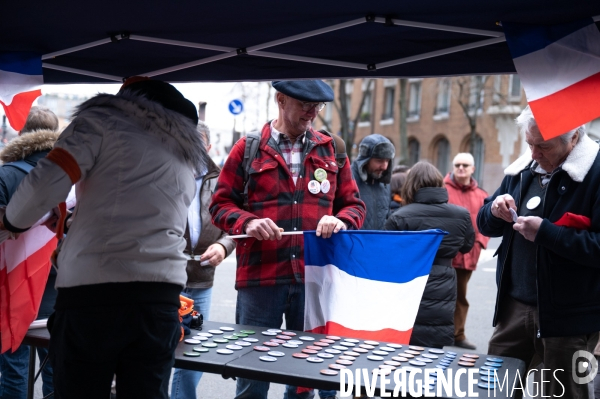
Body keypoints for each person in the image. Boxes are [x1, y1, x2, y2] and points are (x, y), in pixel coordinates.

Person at [0, 78, 208, 399]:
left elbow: (46, 182)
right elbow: (139, 211)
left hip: (94, 294)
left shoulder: (99, 123)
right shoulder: (181, 153)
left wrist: (13, 219)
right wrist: (72, 220)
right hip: (159, 297)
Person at [210, 79, 365, 399]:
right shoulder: (248, 147)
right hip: (260, 281)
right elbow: (220, 205)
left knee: (306, 380)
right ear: (280, 99)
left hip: (315, 279)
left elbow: (355, 206)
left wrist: (339, 220)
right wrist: (248, 222)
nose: (312, 113)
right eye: (305, 105)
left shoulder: (332, 149)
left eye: (318, 106)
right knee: (252, 377)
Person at [477, 105, 600, 399]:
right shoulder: (521, 169)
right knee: (494, 390)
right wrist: (494, 211)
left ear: (574, 139)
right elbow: (485, 223)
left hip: (569, 317)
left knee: (564, 394)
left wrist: (547, 234)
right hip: (514, 308)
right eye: (530, 143)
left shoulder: (595, 173)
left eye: (543, 146)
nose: (534, 154)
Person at [170, 121, 235, 399]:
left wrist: (222, 246)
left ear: (208, 148)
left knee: (194, 350)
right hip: (167, 277)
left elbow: (234, 226)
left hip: (202, 278)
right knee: (161, 347)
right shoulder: (165, 175)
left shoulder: (222, 181)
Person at [0, 106, 60, 399]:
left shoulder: (6, 174)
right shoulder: (69, 178)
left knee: (13, 367)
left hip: (11, 287)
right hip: (57, 287)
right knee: (55, 369)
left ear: (21, 135)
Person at [384, 161, 474, 348]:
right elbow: (466, 247)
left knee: (407, 337)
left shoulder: (399, 216)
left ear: (411, 185)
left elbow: (389, 256)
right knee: (436, 335)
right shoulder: (461, 215)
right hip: (445, 280)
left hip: (410, 280)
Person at [443, 152, 489, 350]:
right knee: (439, 295)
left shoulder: (482, 195)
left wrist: (479, 244)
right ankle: (440, 334)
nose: (461, 168)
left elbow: (486, 224)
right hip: (444, 254)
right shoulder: (442, 190)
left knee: (460, 296)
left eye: (465, 165)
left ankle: (458, 335)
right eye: (457, 164)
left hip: (468, 255)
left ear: (473, 169)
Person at [351, 134, 395, 230]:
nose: (384, 167)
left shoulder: (385, 184)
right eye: (379, 160)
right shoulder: (348, 180)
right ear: (365, 160)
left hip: (379, 243)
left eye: (387, 160)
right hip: (354, 243)